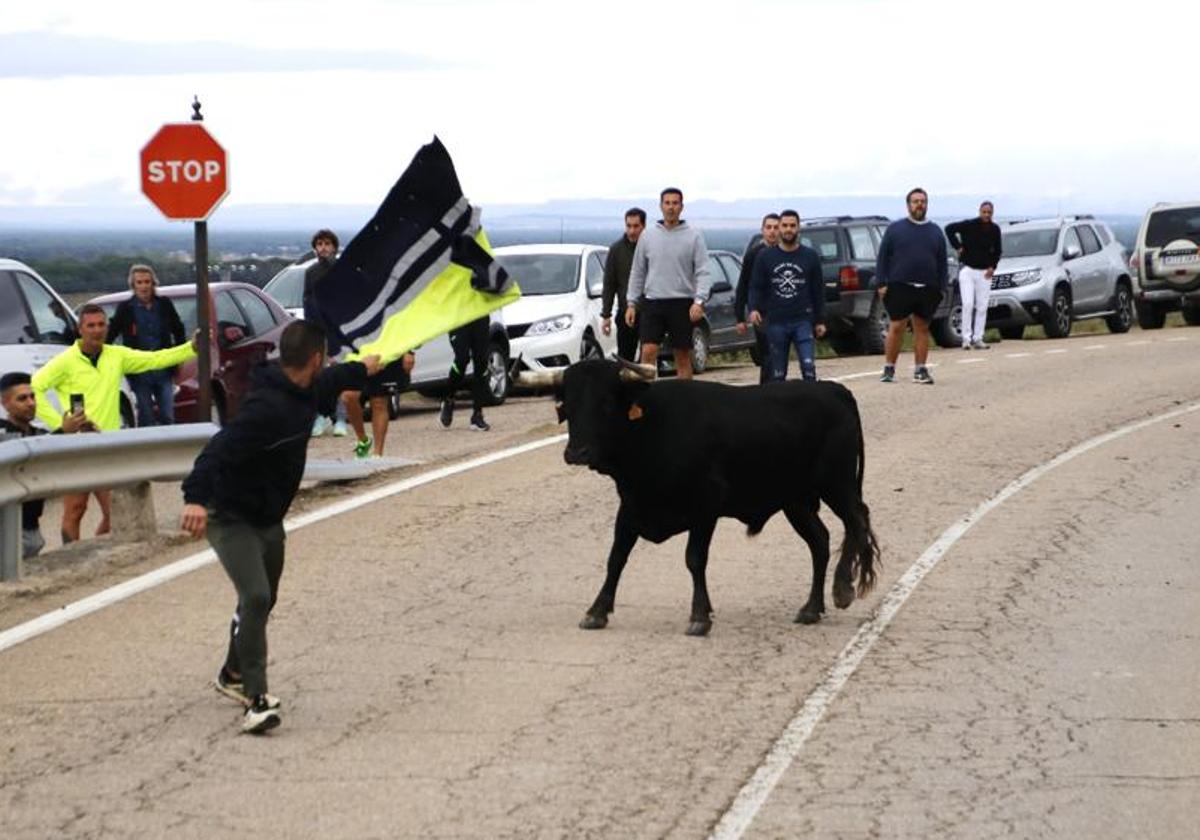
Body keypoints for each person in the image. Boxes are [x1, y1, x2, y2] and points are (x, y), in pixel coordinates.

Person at [180, 320, 380, 734]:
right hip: (229, 515)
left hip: (269, 518)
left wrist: (376, 365)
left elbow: (345, 375)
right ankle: (256, 699)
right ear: (315, 357)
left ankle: (231, 672)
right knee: (254, 596)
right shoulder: (265, 409)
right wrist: (195, 498)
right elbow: (215, 452)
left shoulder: (310, 387)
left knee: (263, 601)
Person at [32, 304, 200, 543]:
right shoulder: (65, 361)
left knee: (114, 513)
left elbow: (155, 359)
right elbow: (36, 387)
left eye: (101, 324)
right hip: (75, 448)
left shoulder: (116, 355)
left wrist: (190, 348)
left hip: (107, 446)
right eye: (91, 325)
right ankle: (72, 556)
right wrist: (60, 424)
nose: (97, 330)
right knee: (75, 509)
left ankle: (95, 550)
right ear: (80, 329)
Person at [0, 372, 93, 557]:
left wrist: (86, 435)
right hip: (8, 528)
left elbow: (55, 457)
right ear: (5, 403)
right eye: (22, 399)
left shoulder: (40, 434)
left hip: (31, 528)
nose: (31, 403)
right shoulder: (3, 433)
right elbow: (27, 453)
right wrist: (62, 433)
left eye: (32, 396)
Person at [625, 188, 712, 379]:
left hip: (682, 302)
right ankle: (646, 400)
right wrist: (631, 303)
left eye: (675, 203)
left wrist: (699, 301)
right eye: (667, 203)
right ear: (661, 206)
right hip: (653, 301)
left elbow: (703, 271)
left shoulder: (694, 236)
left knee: (681, 356)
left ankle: (684, 401)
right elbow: (638, 270)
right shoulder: (648, 235)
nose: (671, 207)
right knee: (648, 351)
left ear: (681, 207)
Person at [874, 188, 948, 384]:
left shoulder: (935, 231)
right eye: (915, 201)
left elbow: (942, 261)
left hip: (928, 287)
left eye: (923, 201)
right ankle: (889, 369)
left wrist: (941, 287)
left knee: (922, 328)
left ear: (927, 204)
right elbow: (882, 257)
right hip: (900, 285)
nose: (919, 205)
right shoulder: (895, 229)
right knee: (897, 326)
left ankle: (920, 370)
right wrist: (881, 282)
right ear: (908, 205)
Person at [748, 210, 827, 381]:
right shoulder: (765, 257)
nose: (788, 229)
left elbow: (818, 290)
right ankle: (778, 407)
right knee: (777, 373)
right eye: (784, 225)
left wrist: (820, 320)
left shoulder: (810, 256)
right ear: (780, 229)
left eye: (792, 225)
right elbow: (756, 286)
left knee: (808, 368)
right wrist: (753, 308)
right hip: (776, 321)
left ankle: (811, 405)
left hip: (803, 321)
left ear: (798, 228)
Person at [106, 264, 187, 426]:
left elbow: (178, 330)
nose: (143, 286)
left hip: (163, 368)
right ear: (133, 285)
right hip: (139, 371)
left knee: (167, 415)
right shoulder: (126, 308)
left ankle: (168, 447)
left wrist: (180, 356)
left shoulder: (164, 304)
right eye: (139, 282)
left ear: (153, 284)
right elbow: (111, 333)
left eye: (147, 282)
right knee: (146, 415)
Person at [302, 229, 350, 438]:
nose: (323, 248)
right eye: (319, 244)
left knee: (338, 375)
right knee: (319, 377)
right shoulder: (310, 272)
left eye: (327, 244)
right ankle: (320, 416)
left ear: (334, 247)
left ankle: (340, 419)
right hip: (318, 332)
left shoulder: (342, 269)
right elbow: (307, 301)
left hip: (339, 332)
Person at [945, 201, 1003, 350]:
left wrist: (992, 266)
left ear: (992, 213)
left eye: (989, 213)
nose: (986, 215)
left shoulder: (995, 229)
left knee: (982, 306)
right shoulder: (969, 225)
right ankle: (966, 339)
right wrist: (958, 247)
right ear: (980, 211)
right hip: (968, 270)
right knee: (968, 304)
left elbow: (998, 250)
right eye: (984, 212)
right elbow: (949, 229)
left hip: (984, 272)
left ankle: (978, 338)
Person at [735, 213, 781, 384]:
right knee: (768, 353)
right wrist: (740, 316)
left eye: (776, 227)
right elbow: (743, 285)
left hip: (784, 310)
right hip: (761, 312)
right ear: (762, 230)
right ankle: (767, 389)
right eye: (768, 228)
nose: (772, 232)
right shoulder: (754, 254)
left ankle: (776, 387)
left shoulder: (787, 253)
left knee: (778, 352)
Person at [344, 351, 415, 458]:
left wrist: (409, 351)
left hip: (386, 350)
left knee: (379, 402)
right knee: (348, 396)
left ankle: (377, 454)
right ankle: (363, 439)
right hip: (357, 349)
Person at [601, 207, 647, 361]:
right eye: (629, 226)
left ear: (643, 226)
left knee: (648, 355)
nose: (632, 231)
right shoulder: (616, 250)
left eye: (636, 226)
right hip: (626, 311)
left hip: (650, 311)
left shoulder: (652, 247)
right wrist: (606, 315)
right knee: (625, 359)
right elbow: (609, 284)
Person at [439, 316, 492, 431]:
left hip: (480, 315)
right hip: (459, 317)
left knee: (481, 362)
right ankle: (449, 398)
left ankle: (477, 414)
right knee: (462, 359)